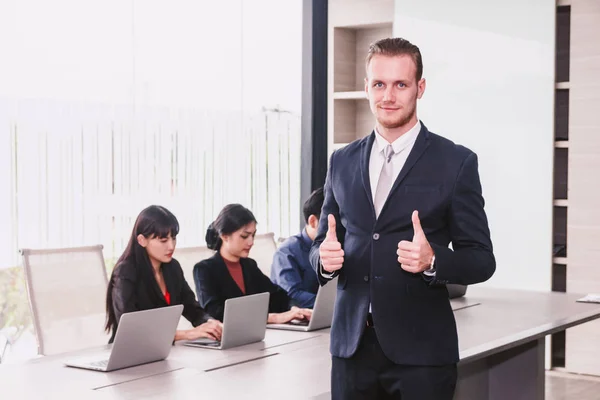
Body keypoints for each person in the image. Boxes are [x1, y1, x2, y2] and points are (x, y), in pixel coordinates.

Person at [309, 37, 496, 400]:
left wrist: (433, 260)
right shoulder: (342, 161)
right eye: (379, 83)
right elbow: (321, 244)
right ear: (366, 87)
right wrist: (324, 260)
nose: (388, 96)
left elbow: (481, 259)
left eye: (400, 84)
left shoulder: (455, 163)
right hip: (351, 350)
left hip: (422, 356)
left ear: (420, 88)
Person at [105, 205, 222, 344]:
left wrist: (211, 324)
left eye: (173, 238)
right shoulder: (125, 272)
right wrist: (186, 334)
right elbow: (131, 329)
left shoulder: (172, 268)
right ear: (142, 240)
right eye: (163, 240)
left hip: (162, 352)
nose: (171, 246)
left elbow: (191, 308)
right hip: (129, 353)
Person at [193, 204, 312, 324]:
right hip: (226, 338)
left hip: (256, 335)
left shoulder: (249, 265)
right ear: (224, 236)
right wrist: (271, 318)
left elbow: (278, 297)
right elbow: (216, 313)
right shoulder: (204, 270)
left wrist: (295, 310)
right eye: (244, 236)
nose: (251, 242)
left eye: (253, 235)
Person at [270, 187, 324, 308]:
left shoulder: (338, 248)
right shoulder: (287, 252)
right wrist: (334, 306)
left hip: (327, 317)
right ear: (313, 221)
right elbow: (293, 296)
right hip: (296, 319)